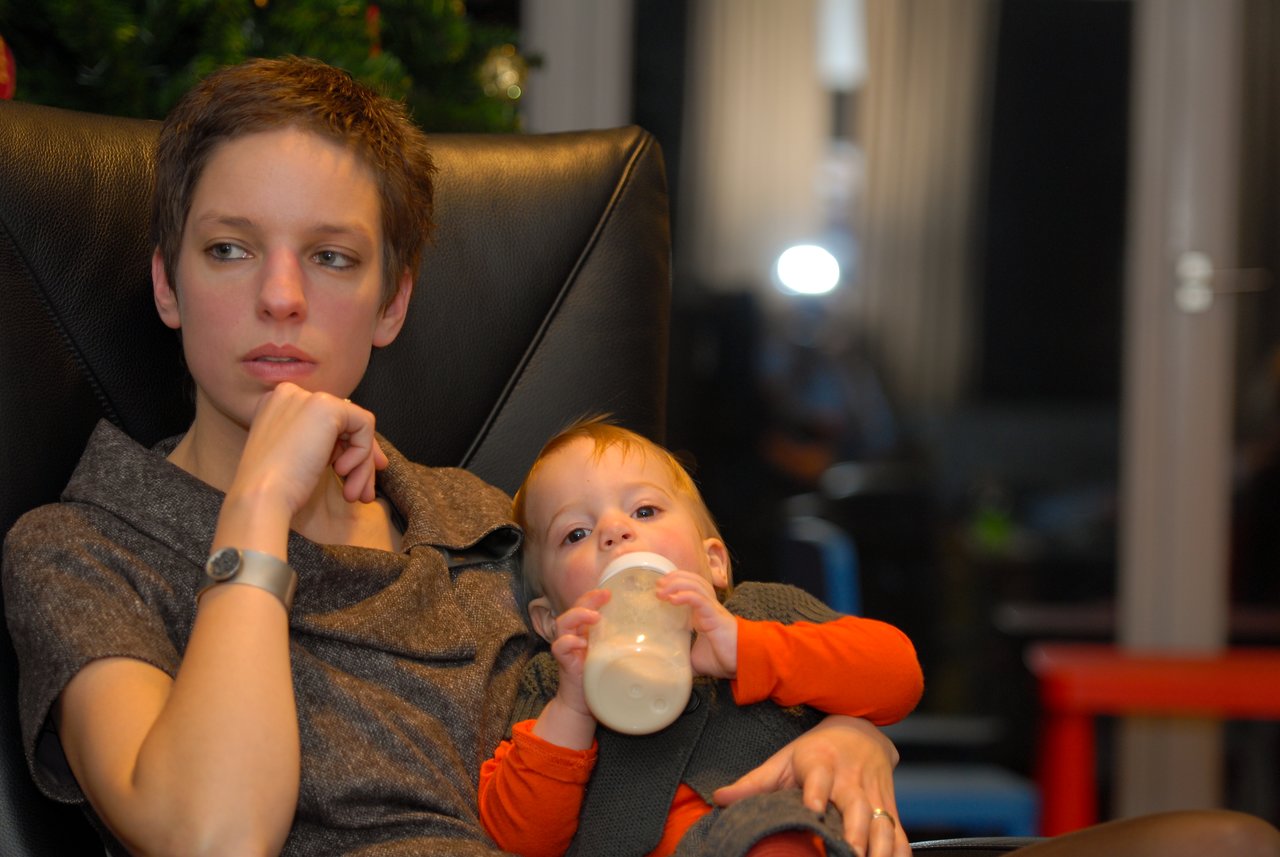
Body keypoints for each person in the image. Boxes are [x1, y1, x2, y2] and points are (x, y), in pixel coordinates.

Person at [2, 55, 1278, 857]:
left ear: (390, 304)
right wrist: (257, 514)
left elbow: (703, 656)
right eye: (230, 249)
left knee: (1217, 842)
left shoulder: (489, 520)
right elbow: (210, 837)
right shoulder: (83, 548)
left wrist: (850, 733)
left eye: (330, 257)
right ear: (165, 282)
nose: (281, 297)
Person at [479, 416, 926, 857]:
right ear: (550, 620)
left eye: (645, 511)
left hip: (775, 832)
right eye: (576, 533)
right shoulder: (552, 685)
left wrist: (747, 649)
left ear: (713, 563)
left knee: (780, 832)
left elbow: (898, 677)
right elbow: (517, 838)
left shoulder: (761, 614)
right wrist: (572, 709)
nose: (614, 531)